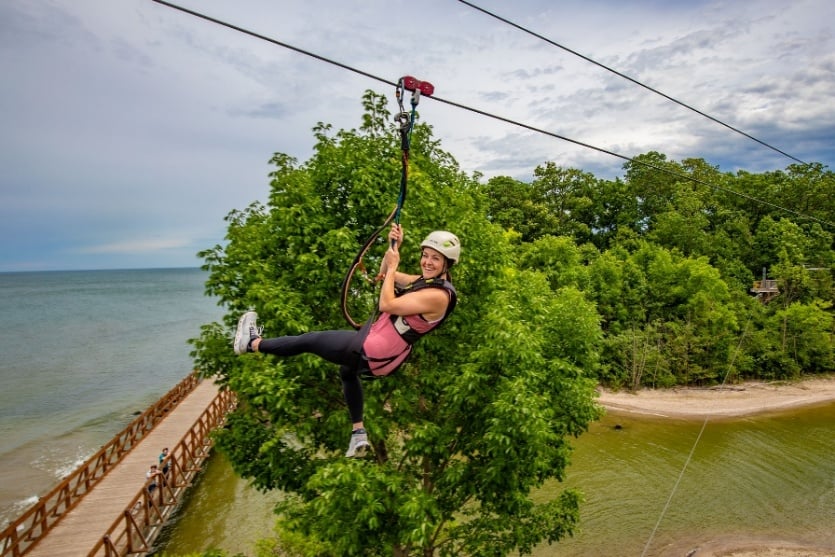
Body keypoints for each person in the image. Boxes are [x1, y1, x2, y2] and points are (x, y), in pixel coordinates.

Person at [233, 224, 460, 457]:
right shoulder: (426, 282)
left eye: (435, 259)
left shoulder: (438, 296)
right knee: (347, 372)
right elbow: (383, 276)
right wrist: (393, 248)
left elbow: (387, 304)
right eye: (425, 256)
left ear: (447, 264)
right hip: (382, 349)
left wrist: (393, 267)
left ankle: (251, 344)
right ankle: (358, 434)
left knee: (311, 340)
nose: (427, 262)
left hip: (376, 348)